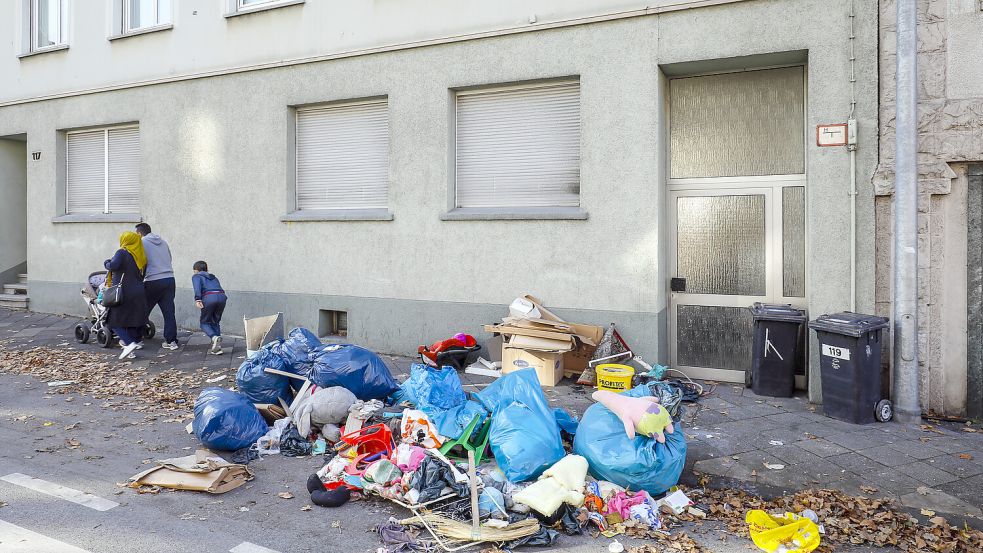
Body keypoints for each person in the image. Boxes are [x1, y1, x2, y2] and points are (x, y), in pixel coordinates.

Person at [104, 231, 149, 360]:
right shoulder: (141, 256)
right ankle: (131, 349)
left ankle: (129, 343)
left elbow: (113, 265)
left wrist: (106, 262)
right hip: (139, 291)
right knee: (132, 320)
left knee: (113, 320)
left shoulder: (122, 252)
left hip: (124, 292)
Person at [135, 223, 179, 350]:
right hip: (170, 279)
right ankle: (171, 341)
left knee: (143, 310)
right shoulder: (163, 242)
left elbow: (141, 261)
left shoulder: (142, 242)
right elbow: (169, 259)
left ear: (139, 233)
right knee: (169, 312)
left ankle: (135, 340)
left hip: (153, 280)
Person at [192, 261, 227, 355]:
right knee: (215, 322)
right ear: (207, 269)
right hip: (222, 297)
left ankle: (214, 337)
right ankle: (217, 348)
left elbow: (197, 288)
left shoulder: (196, 276)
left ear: (196, 270)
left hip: (209, 298)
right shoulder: (214, 277)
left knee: (204, 323)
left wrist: (198, 299)